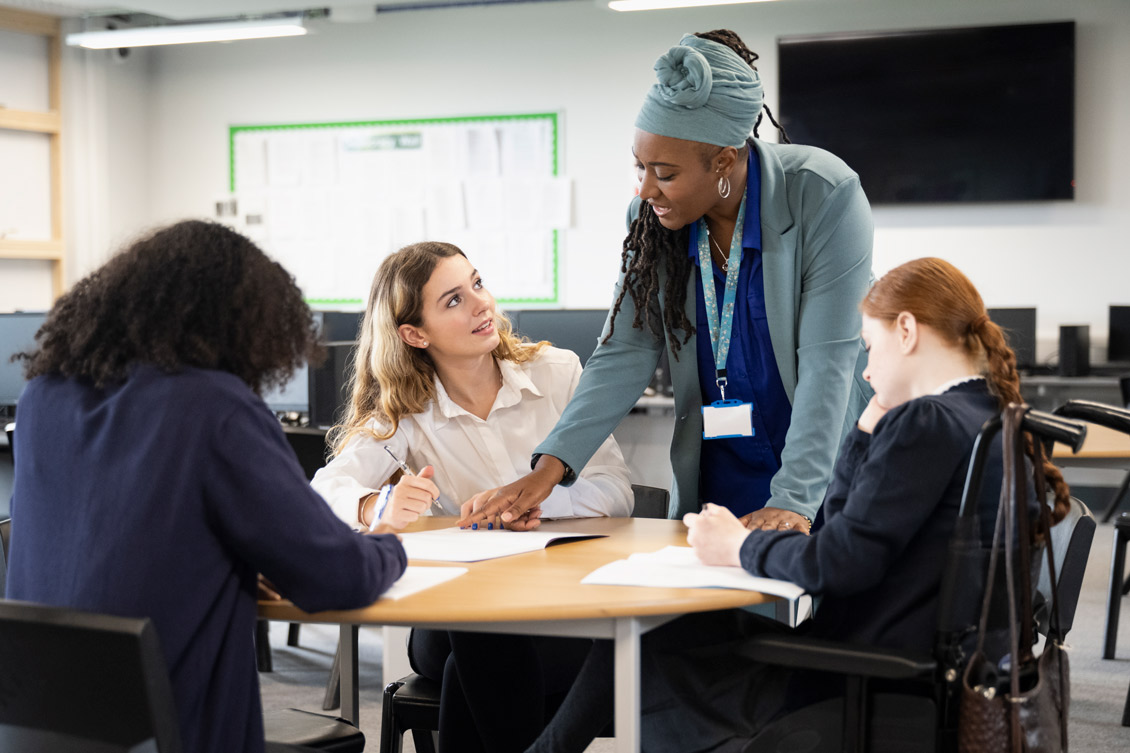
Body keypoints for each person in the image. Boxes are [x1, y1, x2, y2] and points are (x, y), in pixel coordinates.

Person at [524, 257, 1072, 753]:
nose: (865, 370)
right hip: (926, 664)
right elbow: (847, 531)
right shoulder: (989, 416)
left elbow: (836, 560)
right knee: (671, 632)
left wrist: (738, 546)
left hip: (860, 673)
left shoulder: (926, 422)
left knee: (647, 642)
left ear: (906, 331)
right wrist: (862, 429)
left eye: (870, 347)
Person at [5, 220, 407, 753]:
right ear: (243, 323)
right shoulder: (213, 406)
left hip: (43, 726)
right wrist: (391, 542)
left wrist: (236, 565)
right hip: (177, 730)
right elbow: (337, 577)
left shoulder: (42, 398)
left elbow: (122, 537)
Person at [461, 29, 873, 535]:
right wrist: (549, 469)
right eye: (639, 166)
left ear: (724, 159)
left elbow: (828, 361)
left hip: (821, 466)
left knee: (824, 605)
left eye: (665, 172)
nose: (646, 188)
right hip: (721, 463)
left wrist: (794, 500)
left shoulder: (822, 192)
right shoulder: (652, 219)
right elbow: (624, 350)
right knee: (718, 607)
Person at [310, 241, 632, 753]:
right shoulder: (405, 409)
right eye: (454, 300)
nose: (482, 303)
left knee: (476, 661)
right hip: (452, 616)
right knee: (481, 632)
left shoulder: (557, 374)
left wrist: (539, 500)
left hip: (556, 608)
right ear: (414, 334)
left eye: (477, 283)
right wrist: (378, 507)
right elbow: (325, 489)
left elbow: (617, 492)